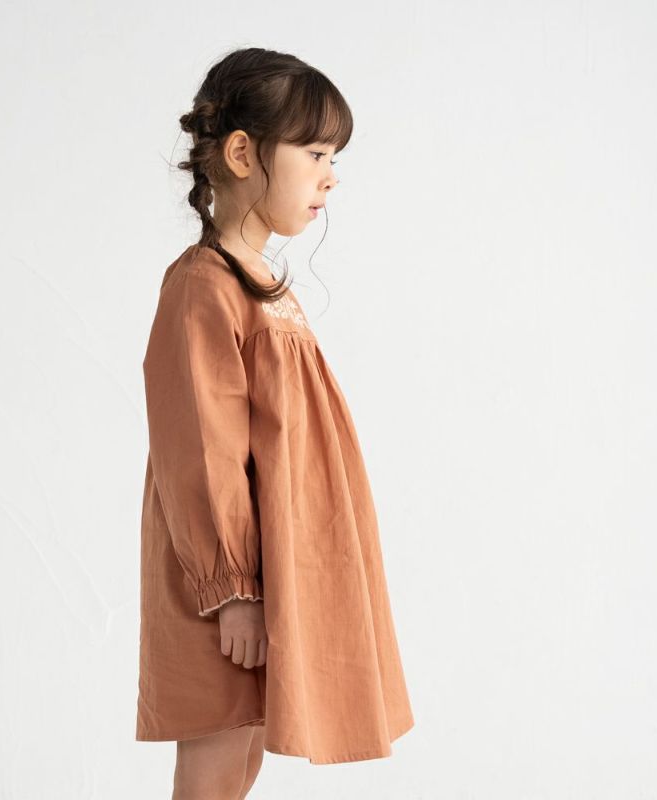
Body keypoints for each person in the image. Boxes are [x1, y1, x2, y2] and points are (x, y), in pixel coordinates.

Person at [135, 46, 414, 798]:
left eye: (334, 158)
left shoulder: (260, 284)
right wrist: (233, 590)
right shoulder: (204, 286)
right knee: (216, 763)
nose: (331, 175)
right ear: (241, 154)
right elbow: (201, 447)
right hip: (225, 585)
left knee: (244, 756)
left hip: (272, 571)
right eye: (315, 153)